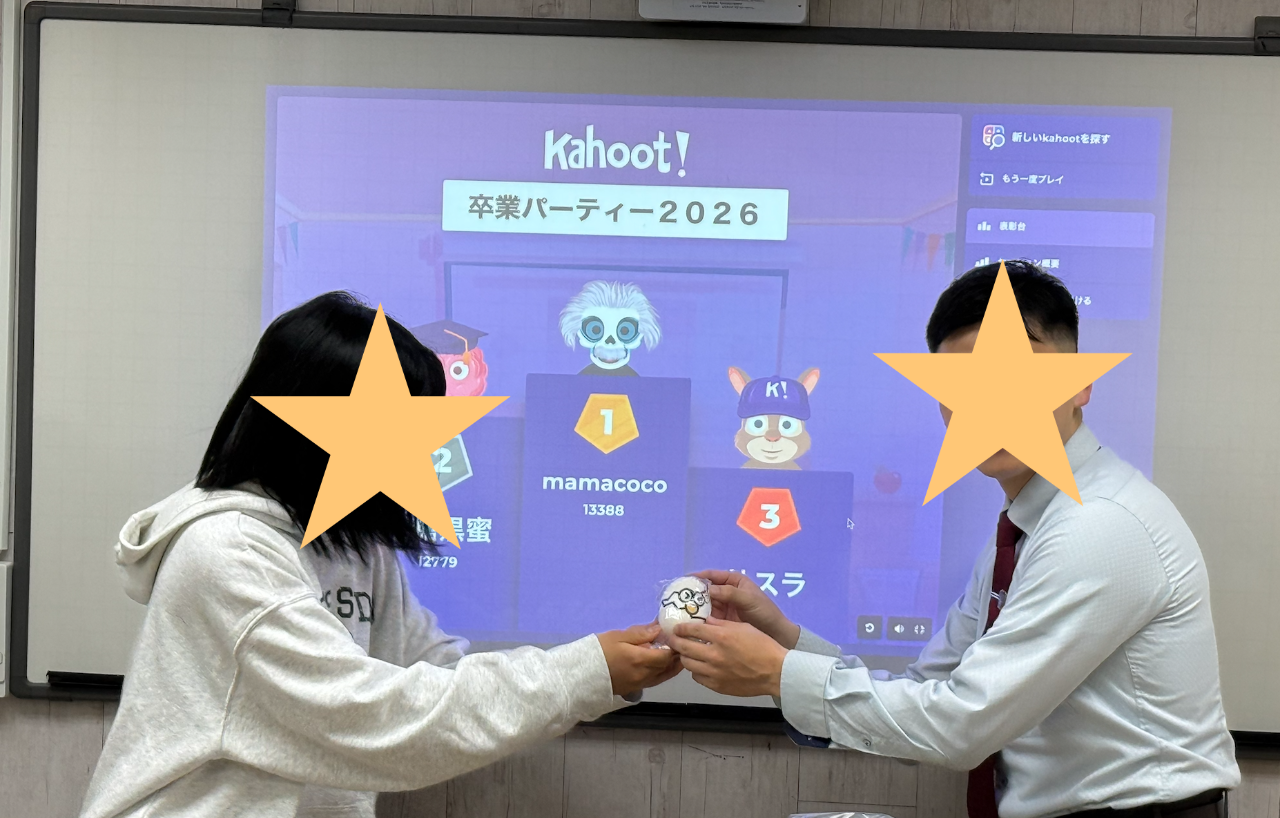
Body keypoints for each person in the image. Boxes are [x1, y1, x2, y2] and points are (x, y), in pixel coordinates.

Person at [668, 261, 1240, 818]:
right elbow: (927, 691)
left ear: (1080, 383)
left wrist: (776, 672)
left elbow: (961, 725)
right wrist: (783, 640)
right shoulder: (1026, 526)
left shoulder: (1099, 526)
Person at [80, 292, 680, 818]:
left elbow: (435, 673)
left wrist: (605, 667)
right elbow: (372, 718)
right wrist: (582, 673)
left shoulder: (352, 542)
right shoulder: (228, 553)